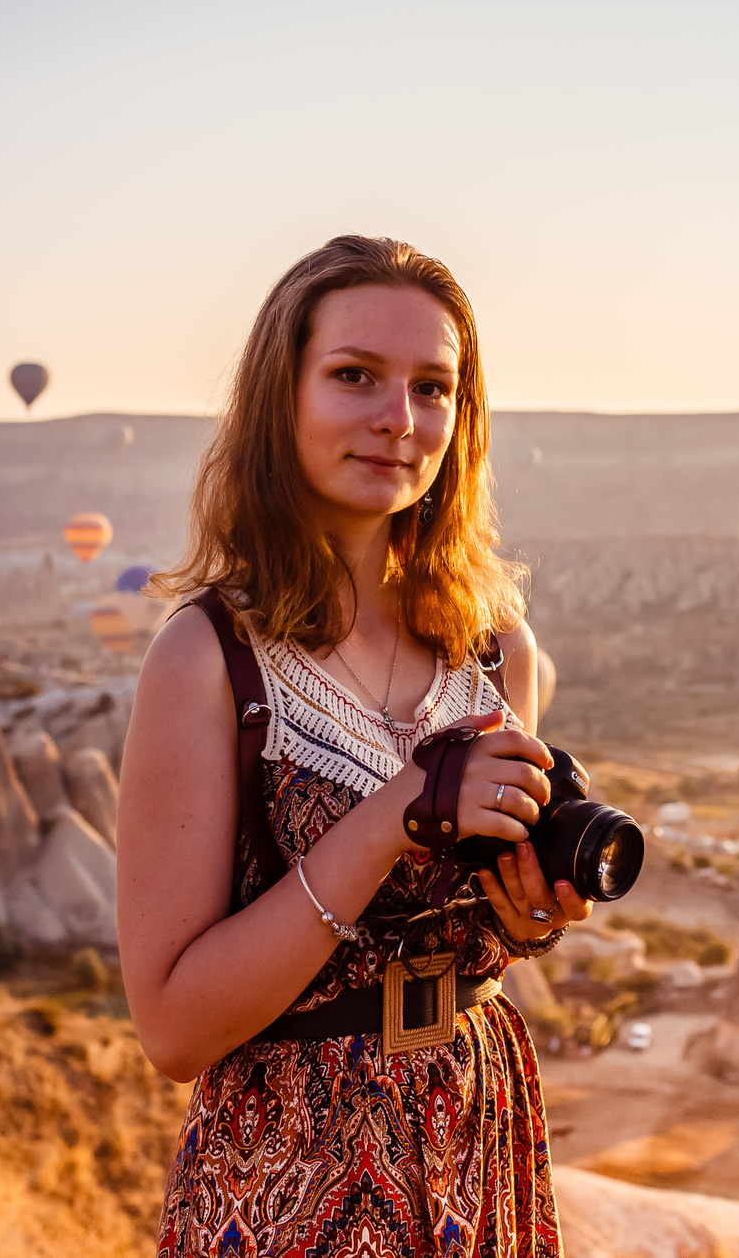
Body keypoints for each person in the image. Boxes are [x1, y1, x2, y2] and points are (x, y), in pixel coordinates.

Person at [123, 236, 589, 1258]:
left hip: (473, 1132)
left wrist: (532, 916)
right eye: (354, 377)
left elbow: (481, 933)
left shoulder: (494, 648)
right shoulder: (210, 660)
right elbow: (172, 1029)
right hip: (290, 1168)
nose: (399, 420)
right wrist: (395, 817)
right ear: (277, 397)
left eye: (435, 388)